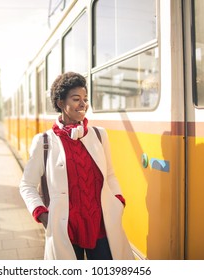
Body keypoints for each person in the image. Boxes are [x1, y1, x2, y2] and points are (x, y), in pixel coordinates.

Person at [19, 72, 134, 260]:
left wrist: (118, 201)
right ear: (60, 103)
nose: (83, 104)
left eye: (85, 99)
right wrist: (42, 214)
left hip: (101, 226)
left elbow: (110, 174)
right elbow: (27, 185)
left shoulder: (99, 135)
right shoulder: (44, 141)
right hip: (66, 230)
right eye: (76, 99)